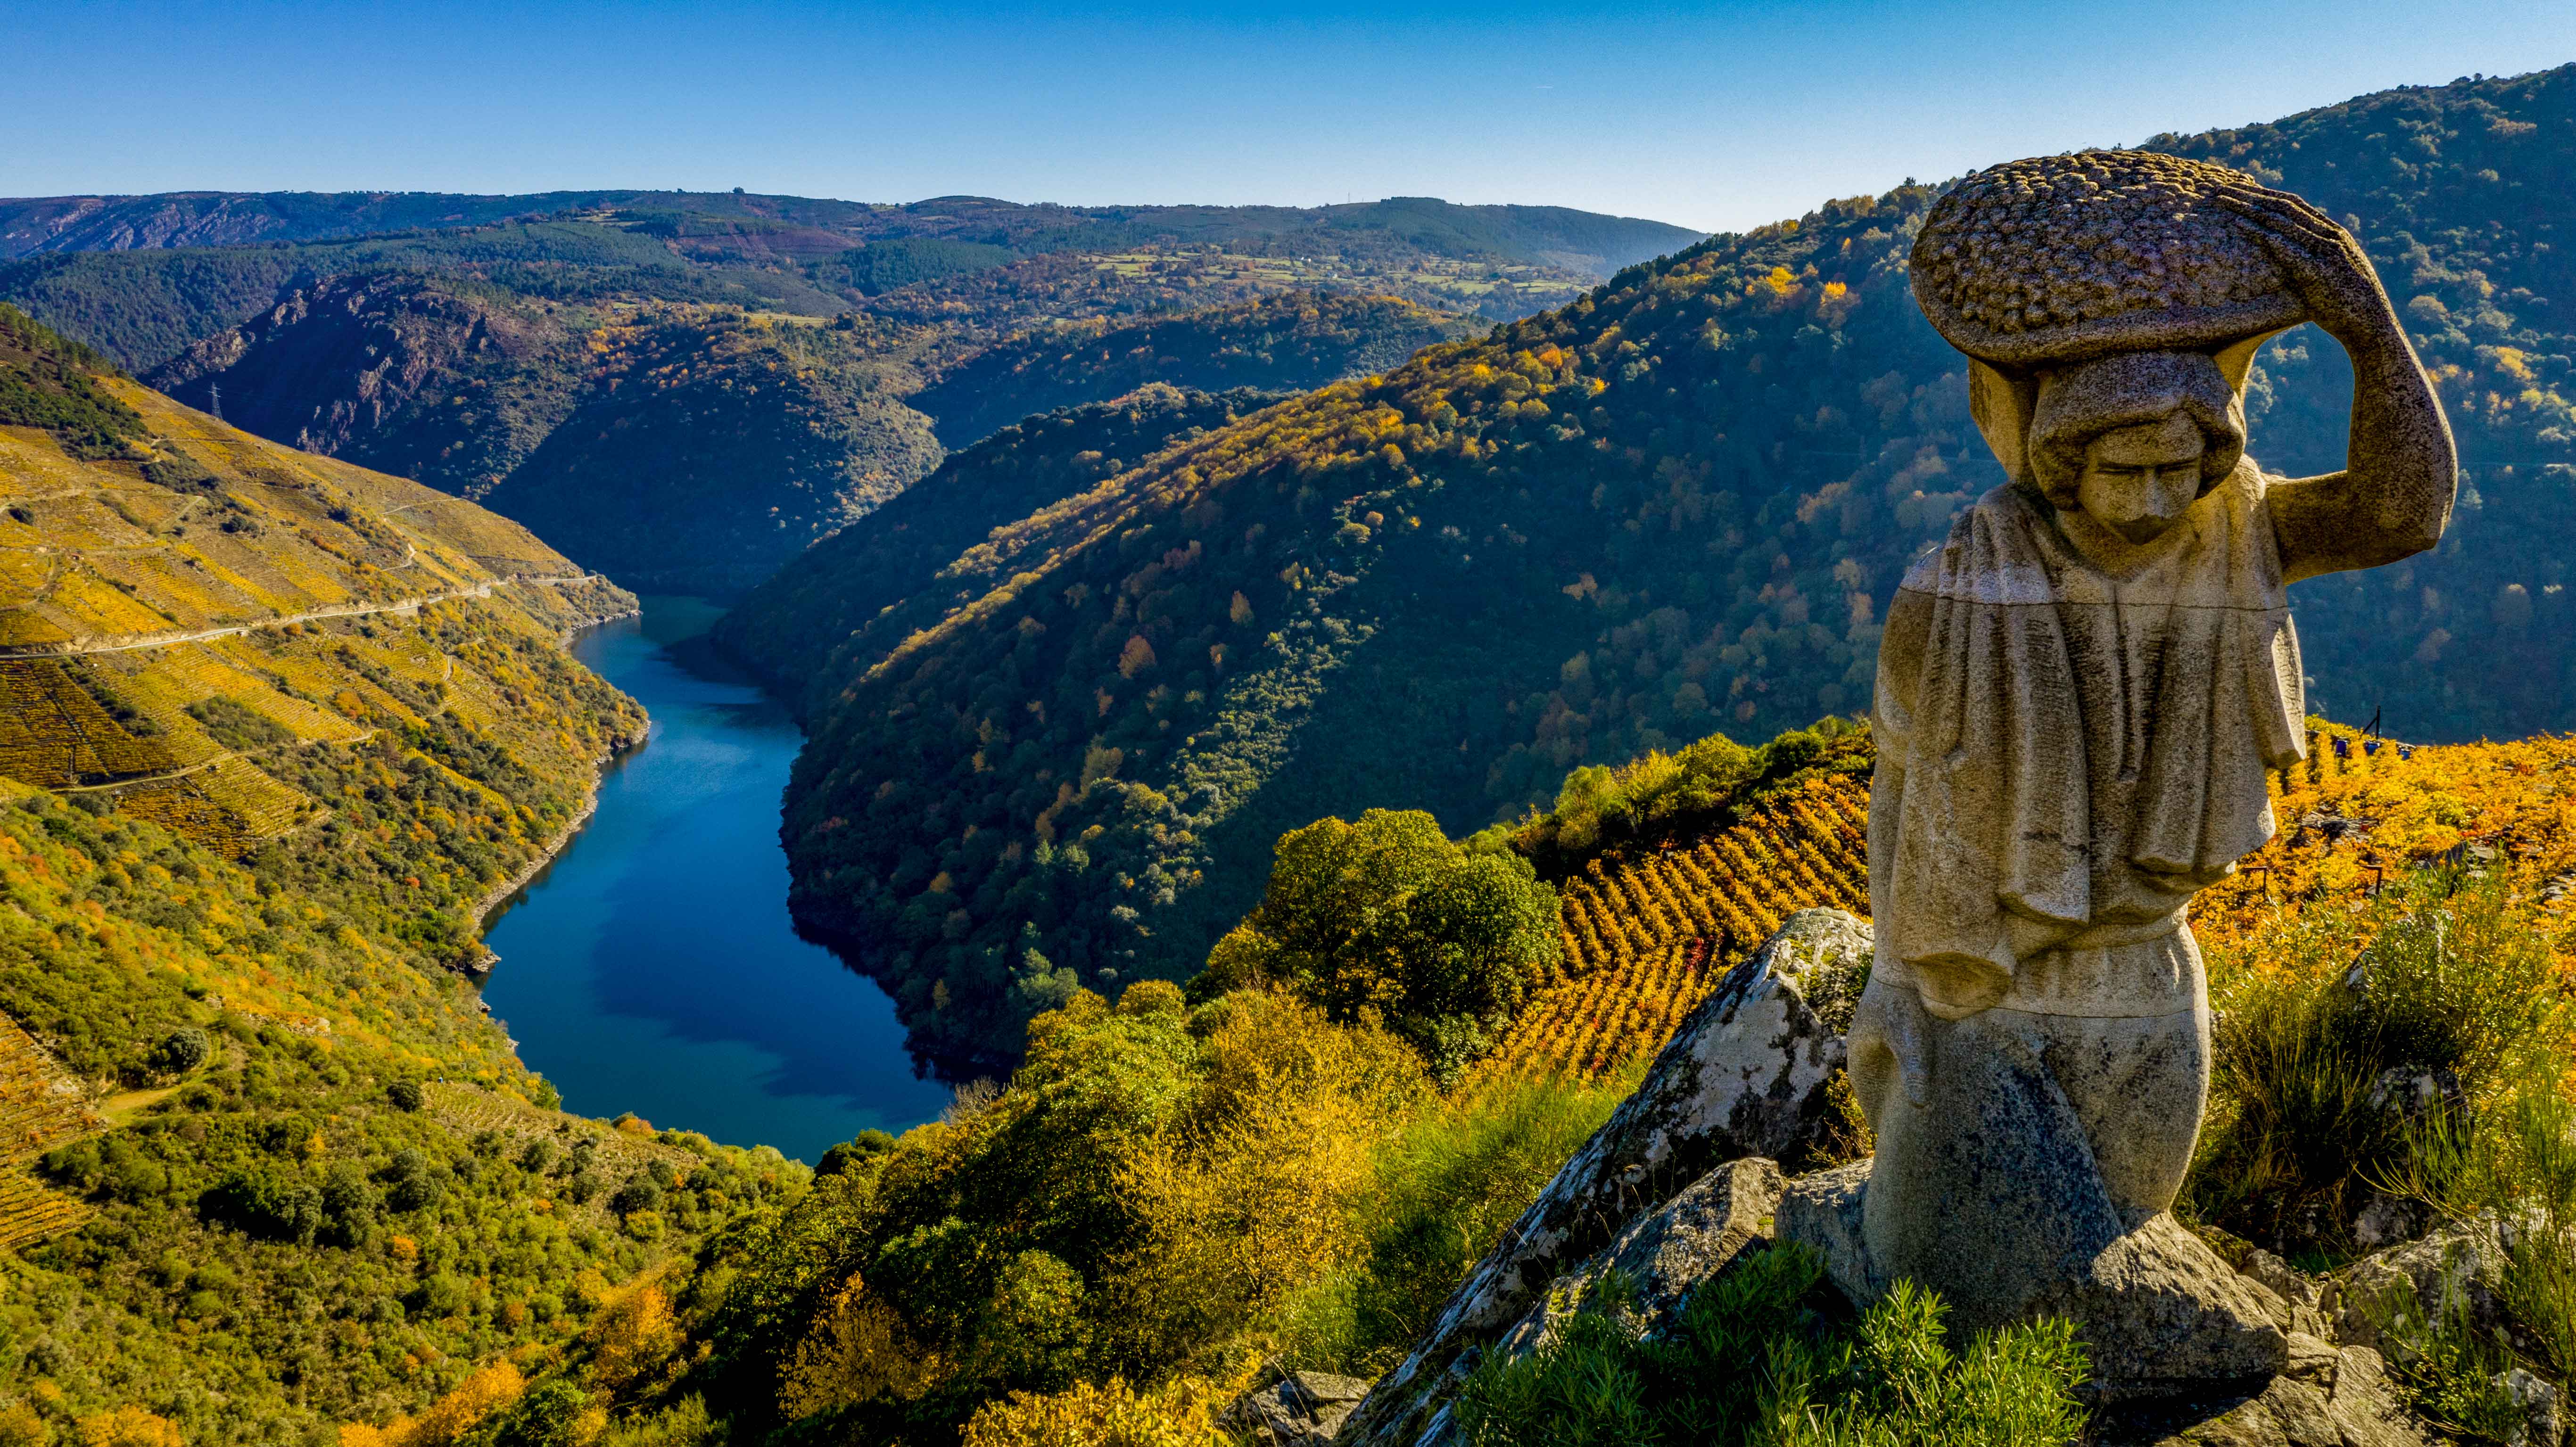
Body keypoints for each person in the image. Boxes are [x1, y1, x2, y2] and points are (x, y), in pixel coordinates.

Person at [1848, 180, 2455, 1327]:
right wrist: (1890, 990)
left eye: (2179, 465)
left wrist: (2365, 326)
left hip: (2153, 995)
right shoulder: (1954, 586)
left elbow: (2401, 510)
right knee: (1955, 1304)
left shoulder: (2244, 531)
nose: (2154, 497)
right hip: (1990, 1007)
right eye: (2123, 469)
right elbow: (1898, 797)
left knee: (2107, 1286)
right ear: (2057, 456)